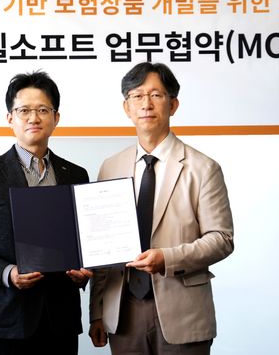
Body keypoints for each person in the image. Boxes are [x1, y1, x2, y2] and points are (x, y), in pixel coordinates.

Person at [88, 62, 234, 355]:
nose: (146, 104)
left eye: (156, 95)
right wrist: (97, 312)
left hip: (183, 311)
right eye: (137, 96)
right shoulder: (110, 167)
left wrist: (167, 258)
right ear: (127, 107)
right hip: (123, 311)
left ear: (173, 104)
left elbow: (222, 239)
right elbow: (103, 248)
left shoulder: (203, 168)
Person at [0, 70, 92, 355]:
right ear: (10, 118)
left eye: (43, 110)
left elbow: (85, 241)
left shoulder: (76, 174)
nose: (33, 118)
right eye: (24, 110)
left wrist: (86, 270)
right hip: (4, 320)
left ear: (56, 118)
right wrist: (7, 272)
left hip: (60, 320)